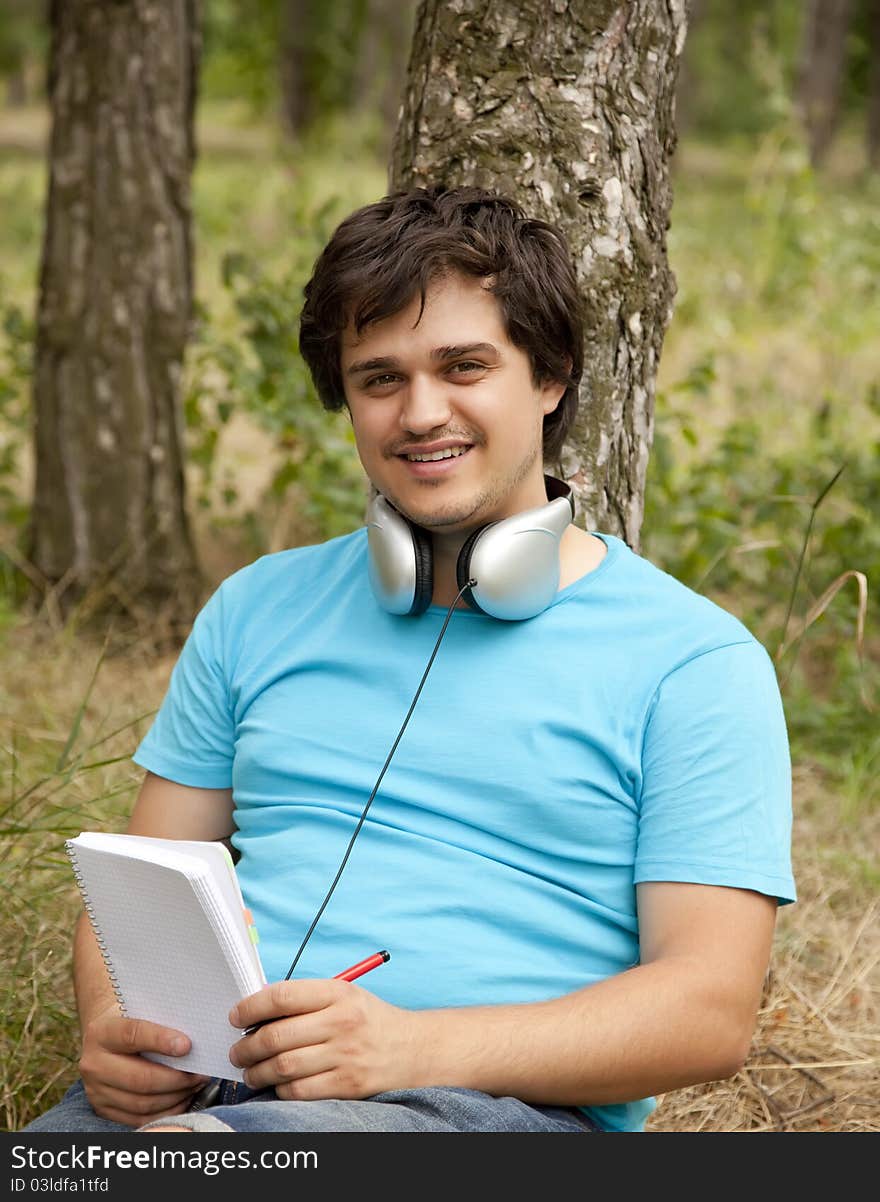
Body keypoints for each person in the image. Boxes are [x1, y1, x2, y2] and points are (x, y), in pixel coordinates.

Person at [25, 186, 795, 1135]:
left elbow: (709, 1015)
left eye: (464, 366)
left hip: (489, 1112)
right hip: (216, 1088)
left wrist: (411, 1047)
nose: (421, 412)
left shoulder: (697, 663)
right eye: (380, 378)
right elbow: (137, 890)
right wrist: (117, 1026)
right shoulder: (255, 608)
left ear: (550, 377)